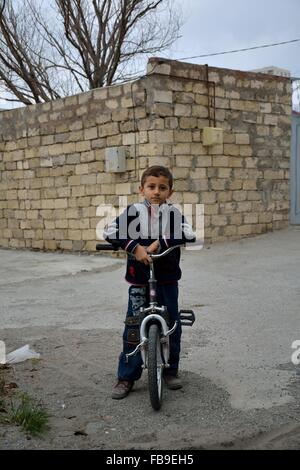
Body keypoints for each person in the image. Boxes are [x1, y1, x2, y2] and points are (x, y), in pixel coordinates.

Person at [103, 165, 196, 399]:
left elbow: (189, 233)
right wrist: (134, 247)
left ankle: (170, 370)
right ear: (141, 189)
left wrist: (158, 244)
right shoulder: (133, 211)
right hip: (139, 278)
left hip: (166, 279)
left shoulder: (173, 213)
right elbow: (110, 230)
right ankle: (126, 376)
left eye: (162, 188)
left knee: (172, 324)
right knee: (133, 327)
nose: (156, 192)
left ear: (170, 191)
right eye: (151, 187)